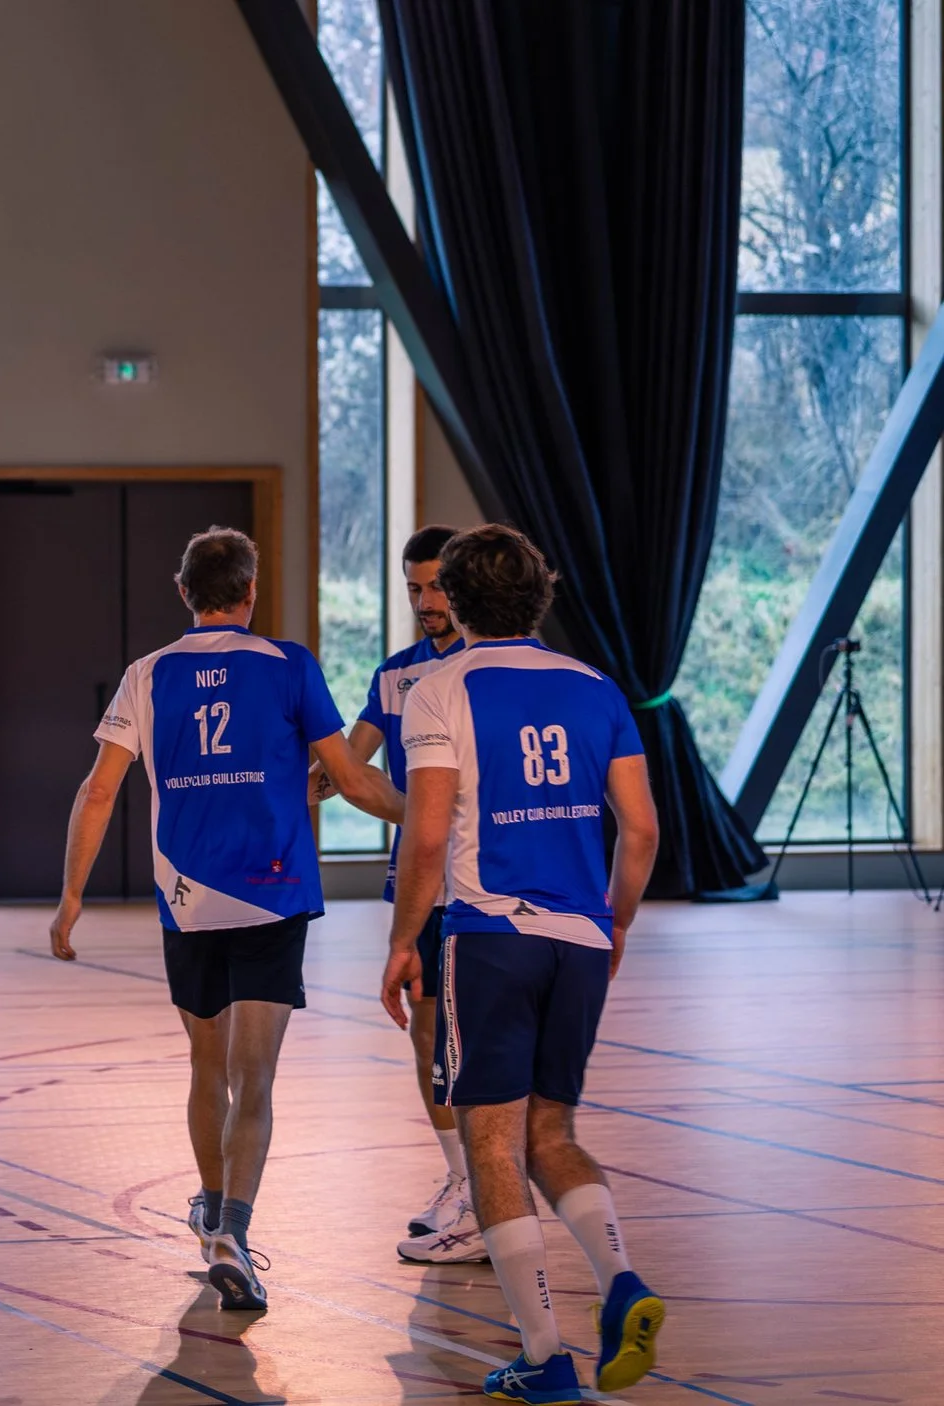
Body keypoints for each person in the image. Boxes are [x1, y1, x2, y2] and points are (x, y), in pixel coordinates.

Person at [50, 527, 401, 1312]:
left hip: (187, 900)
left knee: (207, 1068)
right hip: (272, 895)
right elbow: (350, 779)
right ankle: (231, 1231)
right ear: (251, 592)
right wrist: (436, 818)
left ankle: (212, 1213)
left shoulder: (147, 674)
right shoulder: (289, 665)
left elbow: (98, 791)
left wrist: (72, 895)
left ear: (184, 592)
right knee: (256, 1077)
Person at [379, 524, 664, 1404]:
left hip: (491, 936)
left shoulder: (439, 689)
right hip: (580, 939)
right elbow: (641, 830)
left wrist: (402, 940)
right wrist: (614, 921)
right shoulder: (596, 687)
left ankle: (544, 1356)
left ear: (456, 598)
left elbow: (428, 834)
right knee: (552, 1136)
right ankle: (621, 1280)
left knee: (494, 1145)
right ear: (540, 596)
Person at [312, 524, 486, 1263]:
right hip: (422, 885)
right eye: (414, 588)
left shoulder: (494, 665)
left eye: (437, 586)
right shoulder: (396, 675)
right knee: (427, 1034)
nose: (425, 602)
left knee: (475, 1038)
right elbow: (349, 765)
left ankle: (489, 1192)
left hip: (484, 883)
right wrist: (308, 774)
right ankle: (462, 1180)